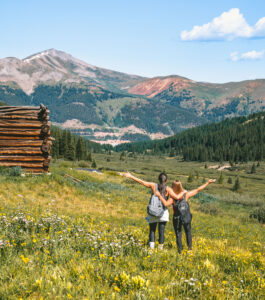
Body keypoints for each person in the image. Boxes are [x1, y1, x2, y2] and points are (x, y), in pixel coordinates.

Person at [121, 172, 184, 250]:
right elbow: (177, 197)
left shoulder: (153, 185)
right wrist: (183, 191)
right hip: (163, 213)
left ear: (158, 179)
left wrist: (130, 176)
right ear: (166, 180)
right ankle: (160, 249)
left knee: (152, 230)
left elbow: (141, 182)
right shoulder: (168, 189)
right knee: (161, 231)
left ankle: (151, 250)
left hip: (152, 211)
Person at [155, 179, 216, 253]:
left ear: (173, 187)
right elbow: (198, 189)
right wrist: (208, 182)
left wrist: (159, 196)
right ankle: (189, 249)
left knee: (178, 234)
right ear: (180, 186)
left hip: (177, 218)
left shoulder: (172, 198)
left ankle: (180, 251)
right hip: (186, 217)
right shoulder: (185, 195)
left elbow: (165, 204)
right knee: (188, 232)